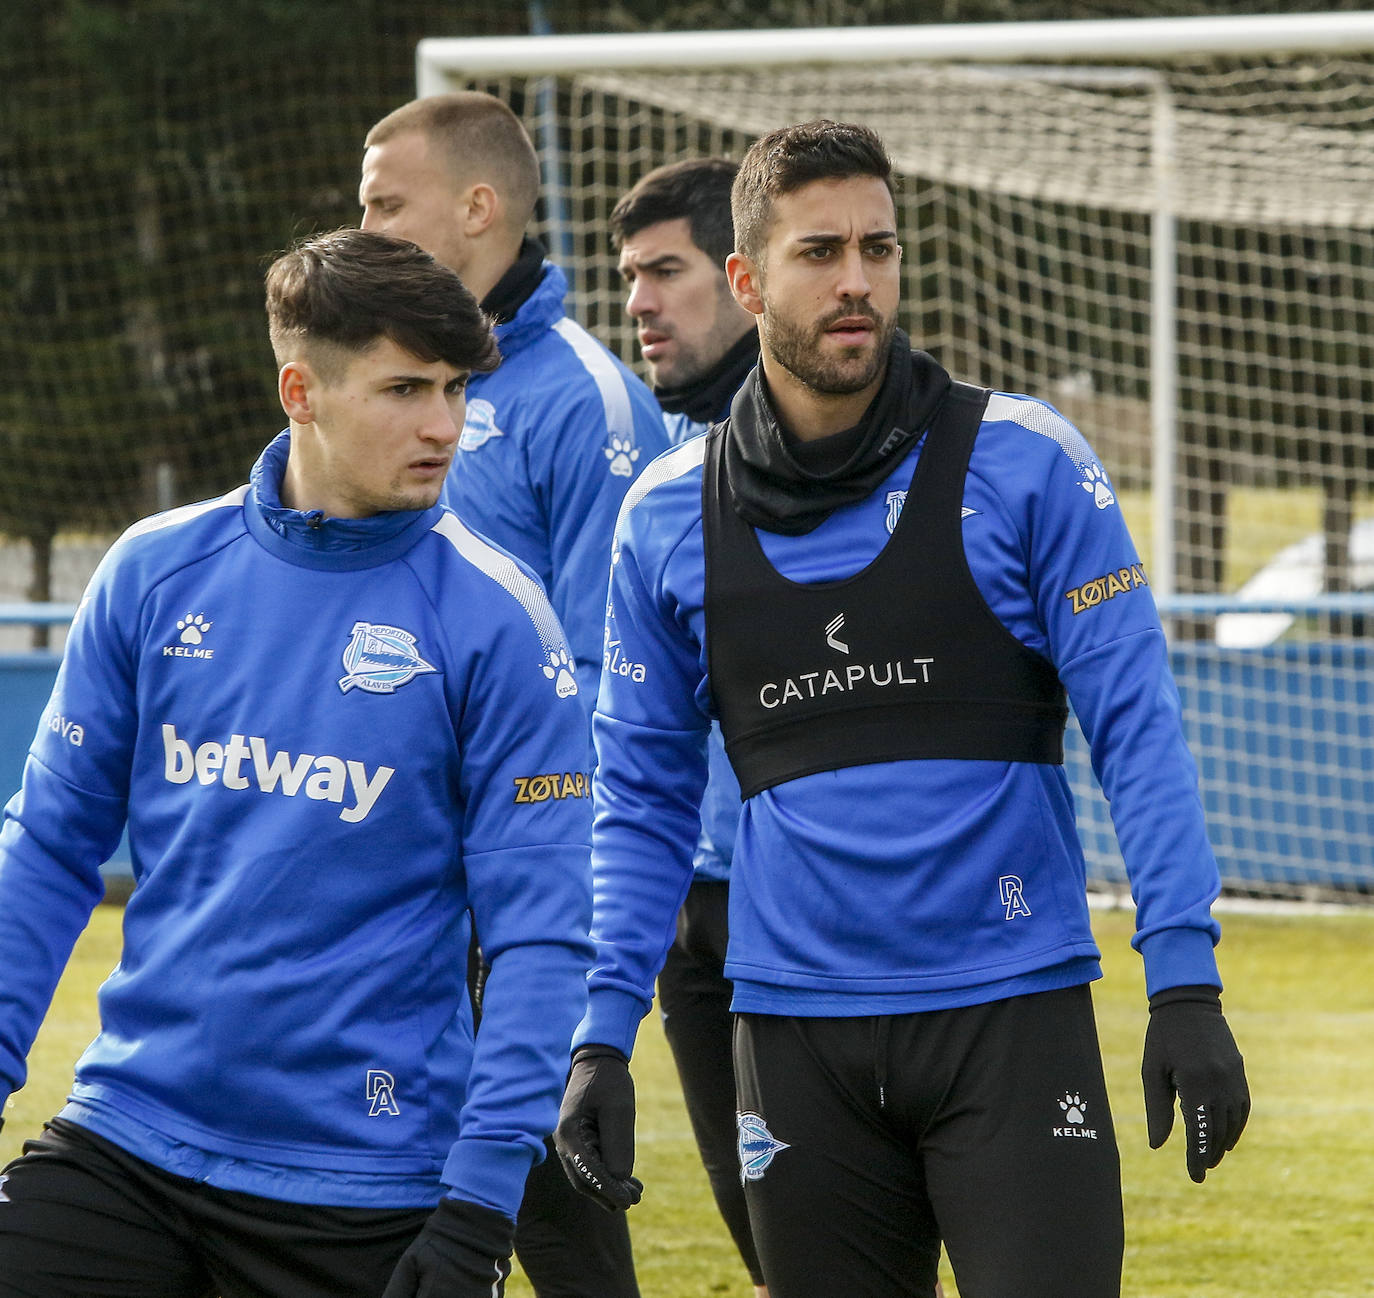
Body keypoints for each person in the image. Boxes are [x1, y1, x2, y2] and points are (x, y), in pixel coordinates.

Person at [554, 120, 1251, 1298]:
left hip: (1010, 1017)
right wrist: (600, 1032)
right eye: (819, 251)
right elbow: (641, 802)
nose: (856, 281)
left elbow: (1138, 732)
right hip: (791, 1038)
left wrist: (1183, 980)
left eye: (878, 248)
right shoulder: (666, 516)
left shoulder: (1027, 462)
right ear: (746, 278)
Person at [0, 228, 594, 1298]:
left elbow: (541, 939)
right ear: (299, 389)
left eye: (457, 388)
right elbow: (47, 847)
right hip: (130, 1138)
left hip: (368, 1184)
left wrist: (480, 1204)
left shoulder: (501, 620)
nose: (444, 424)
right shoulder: (154, 571)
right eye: (406, 387)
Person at [360, 91, 665, 1298]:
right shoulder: (376, 384)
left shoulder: (582, 401)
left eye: (388, 201)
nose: (365, 223)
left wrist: (536, 870)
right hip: (386, 861)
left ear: (477, 208)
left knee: (545, 1196)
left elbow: (618, 671)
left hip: (510, 878)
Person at [610, 157, 767, 1297]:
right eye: (629, 277)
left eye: (665, 271)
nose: (639, 305)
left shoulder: (856, 456)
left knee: (838, 1237)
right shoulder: (665, 484)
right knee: (768, 1241)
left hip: (795, 898)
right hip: (682, 910)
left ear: (743, 273)